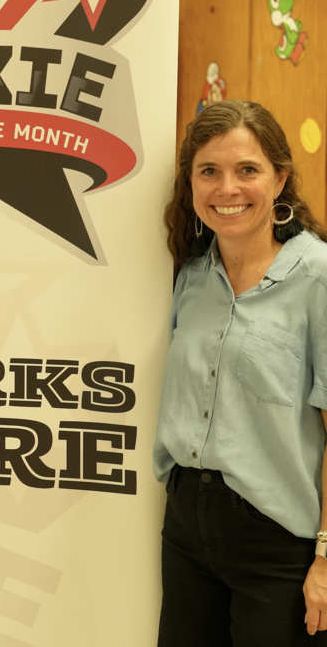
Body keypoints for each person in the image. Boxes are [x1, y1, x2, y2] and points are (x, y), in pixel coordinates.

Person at [156, 99, 327, 645]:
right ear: (191, 183)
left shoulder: (318, 278)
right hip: (185, 529)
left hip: (278, 543)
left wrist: (326, 556)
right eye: (209, 171)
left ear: (279, 179)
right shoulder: (190, 273)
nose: (226, 188)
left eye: (247, 170)